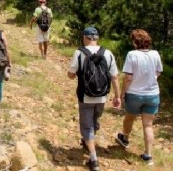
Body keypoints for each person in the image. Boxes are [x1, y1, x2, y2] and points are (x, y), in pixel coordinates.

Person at [68, 27, 121, 171]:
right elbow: (115, 76)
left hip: (85, 96)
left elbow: (71, 74)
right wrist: (117, 96)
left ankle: (93, 160)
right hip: (102, 96)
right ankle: (88, 141)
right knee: (95, 121)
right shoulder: (108, 53)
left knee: (87, 126)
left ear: (85, 37)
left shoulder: (79, 52)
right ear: (97, 38)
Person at [116, 29, 163, 166]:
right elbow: (158, 71)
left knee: (130, 117)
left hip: (135, 93)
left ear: (135, 42)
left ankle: (124, 138)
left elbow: (128, 77)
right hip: (153, 94)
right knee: (148, 125)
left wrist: (123, 93)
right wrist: (151, 79)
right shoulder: (155, 54)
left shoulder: (132, 54)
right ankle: (148, 156)